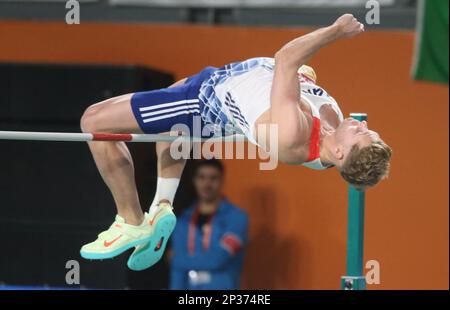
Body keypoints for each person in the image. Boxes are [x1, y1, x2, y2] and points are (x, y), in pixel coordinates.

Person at [79, 14, 392, 271]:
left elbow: (286, 59)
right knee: (172, 129)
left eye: (361, 134)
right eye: (370, 130)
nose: (362, 125)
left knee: (94, 121)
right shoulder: (334, 131)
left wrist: (335, 31)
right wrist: (304, 79)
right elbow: (296, 79)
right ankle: (161, 206)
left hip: (207, 98)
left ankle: (131, 220)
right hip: (224, 86)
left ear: (339, 152)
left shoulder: (292, 135)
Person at [169, 159, 248, 290]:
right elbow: (177, 273)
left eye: (213, 178)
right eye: (202, 177)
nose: (207, 183)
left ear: (222, 180)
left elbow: (217, 260)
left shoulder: (237, 218)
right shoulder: (182, 220)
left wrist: (176, 260)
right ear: (194, 181)